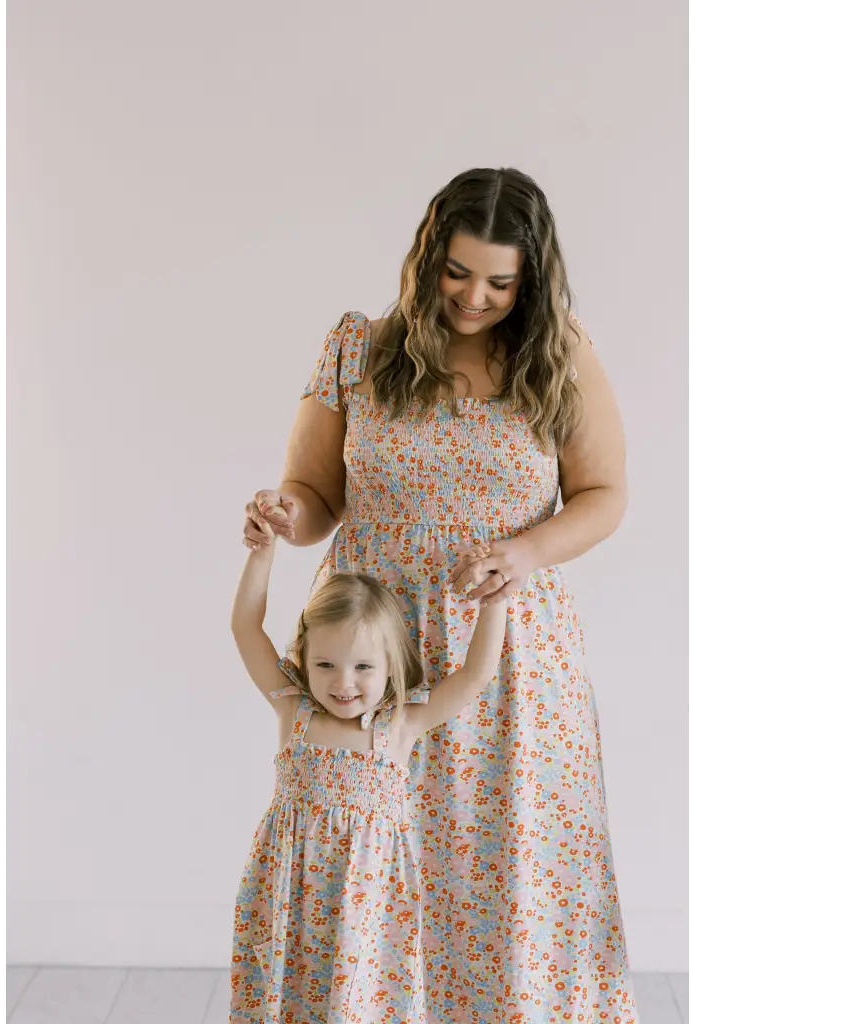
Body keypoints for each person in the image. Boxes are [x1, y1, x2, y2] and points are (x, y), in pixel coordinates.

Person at [243, 167, 639, 1023]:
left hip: (509, 659)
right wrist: (284, 513)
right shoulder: (359, 349)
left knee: (509, 872)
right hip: (368, 655)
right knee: (370, 866)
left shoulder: (559, 353)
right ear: (428, 257)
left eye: (501, 282)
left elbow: (605, 496)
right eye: (458, 273)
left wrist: (524, 551)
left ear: (532, 278)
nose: (475, 297)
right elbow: (315, 495)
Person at [228, 521, 506, 1023]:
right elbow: (246, 627)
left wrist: (494, 600)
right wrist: (263, 553)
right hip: (290, 893)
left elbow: (476, 674)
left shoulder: (400, 724)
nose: (343, 683)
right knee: (289, 997)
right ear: (303, 659)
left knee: (361, 1004)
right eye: (326, 665)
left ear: (390, 665)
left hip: (367, 902)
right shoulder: (294, 710)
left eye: (362, 667)